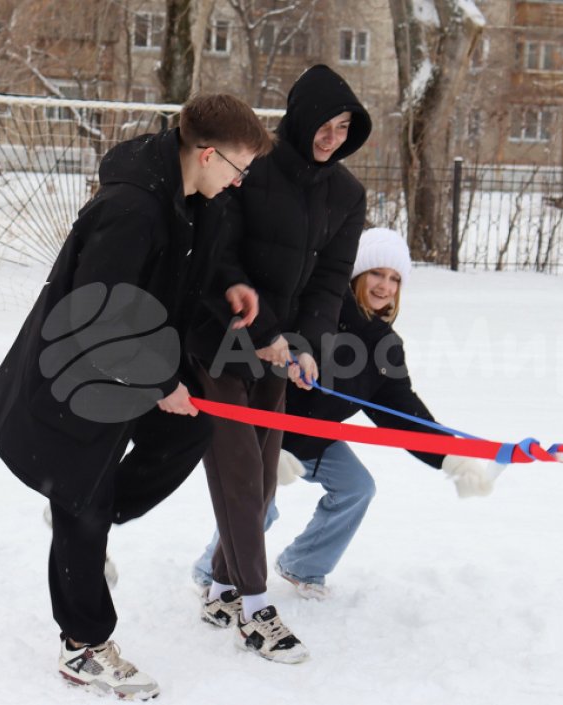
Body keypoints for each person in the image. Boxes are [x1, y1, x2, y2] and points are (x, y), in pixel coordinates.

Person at [0, 94, 274, 700]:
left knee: (185, 432)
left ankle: (90, 519)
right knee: (81, 503)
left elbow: (189, 266)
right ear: (207, 152)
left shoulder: (198, 200)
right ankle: (83, 647)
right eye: (238, 169)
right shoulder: (131, 209)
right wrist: (160, 383)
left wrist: (230, 288)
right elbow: (96, 315)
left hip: (128, 362)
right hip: (73, 378)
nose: (240, 182)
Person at [192, 227, 504, 599]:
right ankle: (212, 573)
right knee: (260, 505)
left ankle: (303, 565)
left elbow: (403, 413)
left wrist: (451, 457)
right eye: (376, 273)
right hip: (269, 435)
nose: (385, 286)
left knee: (357, 488)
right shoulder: (315, 314)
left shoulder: (385, 345)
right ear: (356, 274)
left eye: (394, 278)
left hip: (317, 441)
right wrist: (265, 446)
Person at [185, 65, 372, 664]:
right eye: (327, 122)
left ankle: (219, 589)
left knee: (264, 478)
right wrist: (262, 332)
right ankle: (256, 607)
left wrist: (306, 344)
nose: (333, 136)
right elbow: (218, 255)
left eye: (345, 128)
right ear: (302, 115)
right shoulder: (252, 165)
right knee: (238, 469)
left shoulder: (346, 194)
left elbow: (329, 282)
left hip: (281, 351)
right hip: (220, 335)